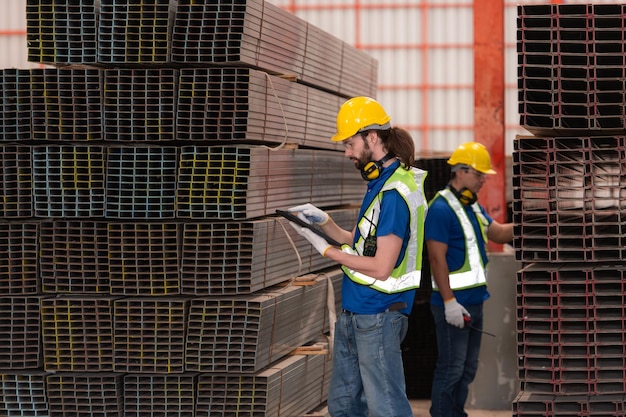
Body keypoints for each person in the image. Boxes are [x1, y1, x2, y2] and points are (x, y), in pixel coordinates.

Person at [288, 96, 428, 417]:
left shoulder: (393, 193)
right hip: (357, 312)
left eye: (350, 143)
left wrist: (331, 252)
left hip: (377, 315)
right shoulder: (379, 183)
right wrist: (327, 225)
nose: (347, 152)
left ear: (372, 138)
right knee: (344, 405)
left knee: (385, 407)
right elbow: (367, 243)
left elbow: (381, 266)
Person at [425, 141, 514, 417]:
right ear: (460, 171)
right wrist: (449, 302)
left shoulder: (472, 207)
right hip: (454, 306)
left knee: (467, 368)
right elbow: (436, 258)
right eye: (479, 175)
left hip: (475, 301)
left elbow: (497, 233)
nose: (483, 181)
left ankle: (456, 413)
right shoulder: (440, 208)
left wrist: (534, 222)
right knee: (451, 369)